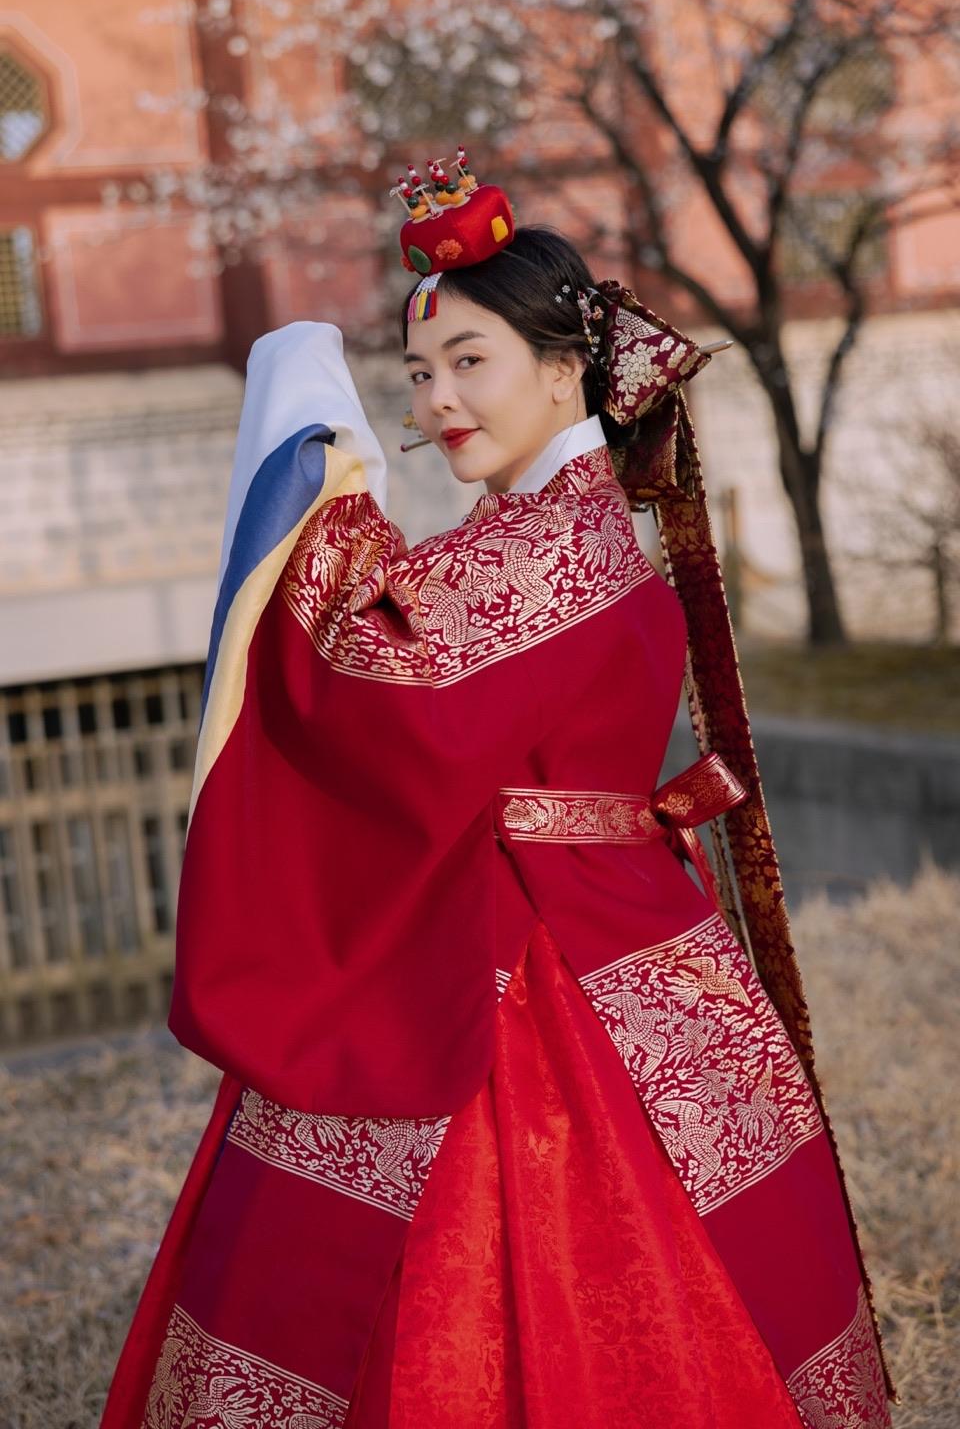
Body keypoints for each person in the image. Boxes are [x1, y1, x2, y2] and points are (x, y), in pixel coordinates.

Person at [99, 150, 897, 1429]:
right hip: (623, 919)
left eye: (471, 361)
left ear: (564, 366)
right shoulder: (556, 528)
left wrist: (318, 473)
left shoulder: (556, 538)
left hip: (544, 945)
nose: (438, 400)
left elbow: (389, 679)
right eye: (417, 374)